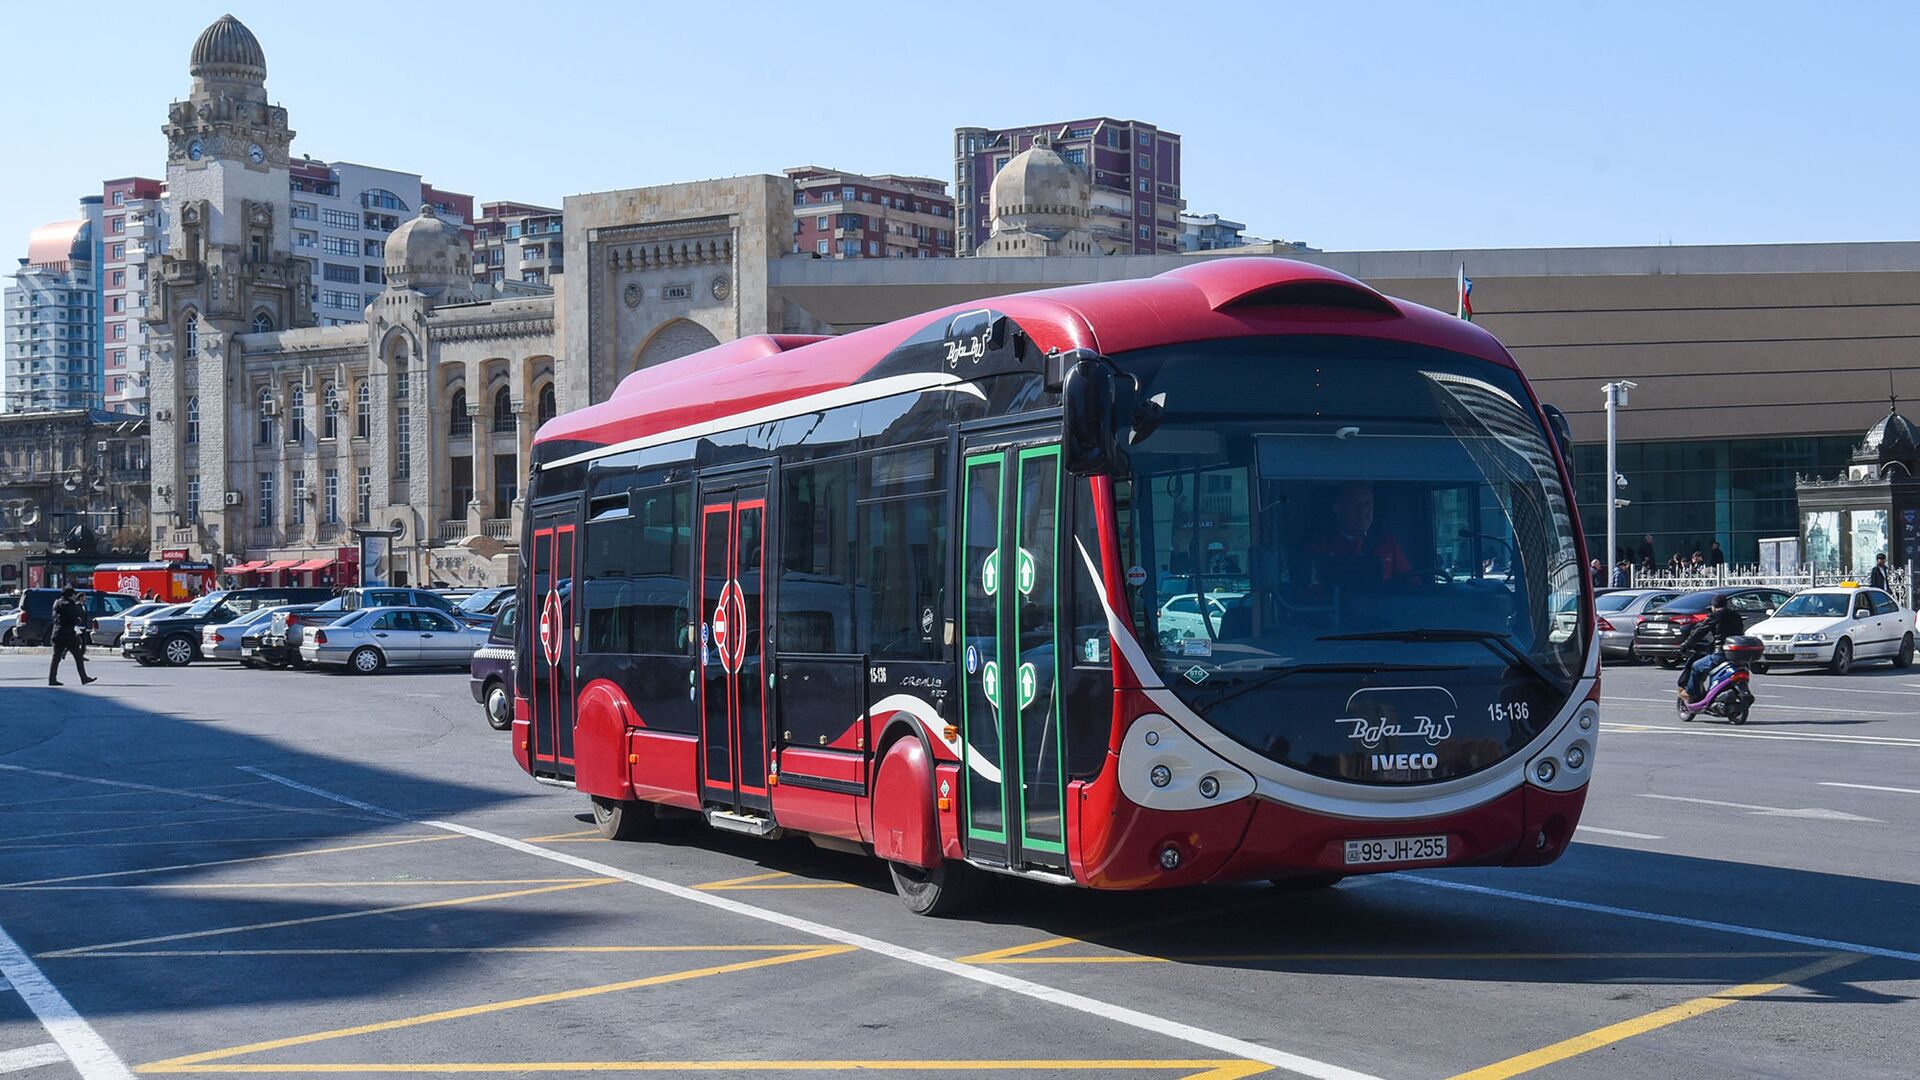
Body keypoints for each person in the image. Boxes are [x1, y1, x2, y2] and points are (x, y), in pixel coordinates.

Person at [1301, 480, 1411, 582]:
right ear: (1338, 509)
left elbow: (1412, 586)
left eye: (1368, 503)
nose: (1363, 511)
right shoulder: (1319, 545)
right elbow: (1309, 592)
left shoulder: (1387, 543)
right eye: (1355, 504)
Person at [1677, 593, 1744, 704]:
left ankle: (1692, 694)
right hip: (1736, 655)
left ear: (1713, 606)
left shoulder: (1715, 616)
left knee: (1696, 666)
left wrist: (1685, 645)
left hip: (1720, 655)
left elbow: (1699, 632)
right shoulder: (1736, 616)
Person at [48, 585, 97, 687]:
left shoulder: (56, 603)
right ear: (70, 595)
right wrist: (78, 620)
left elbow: (55, 617)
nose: (75, 596)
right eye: (74, 594)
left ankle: (52, 679)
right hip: (68, 634)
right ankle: (84, 677)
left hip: (56, 633)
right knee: (78, 657)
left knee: (56, 657)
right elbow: (73, 619)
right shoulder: (69, 604)